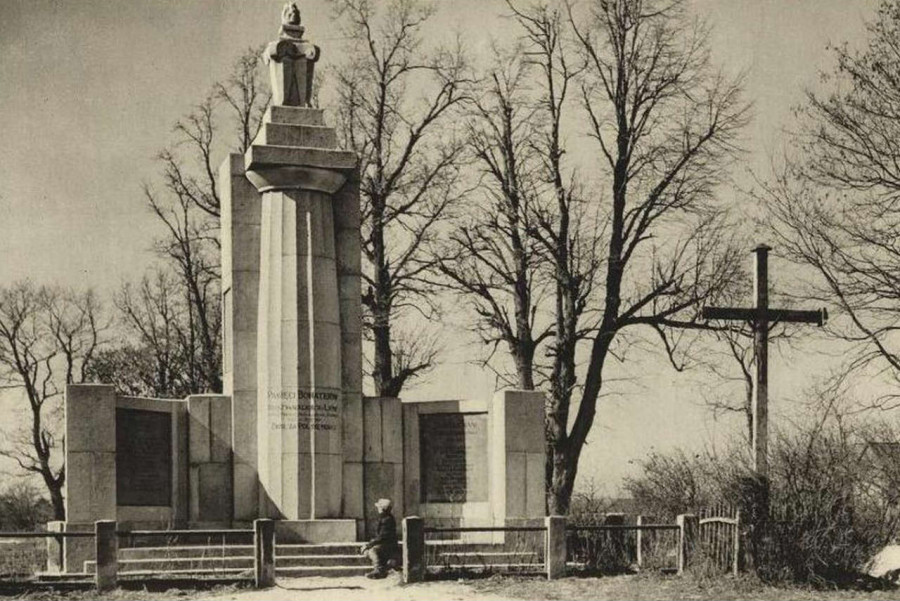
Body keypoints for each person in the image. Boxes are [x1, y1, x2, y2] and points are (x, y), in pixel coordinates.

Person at [360, 498, 400, 579]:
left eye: (379, 507)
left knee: (372, 550)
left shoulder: (387, 519)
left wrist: (369, 544)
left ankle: (379, 570)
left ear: (382, 509)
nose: (378, 509)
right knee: (368, 550)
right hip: (385, 543)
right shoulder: (384, 518)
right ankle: (384, 568)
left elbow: (382, 537)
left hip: (388, 545)